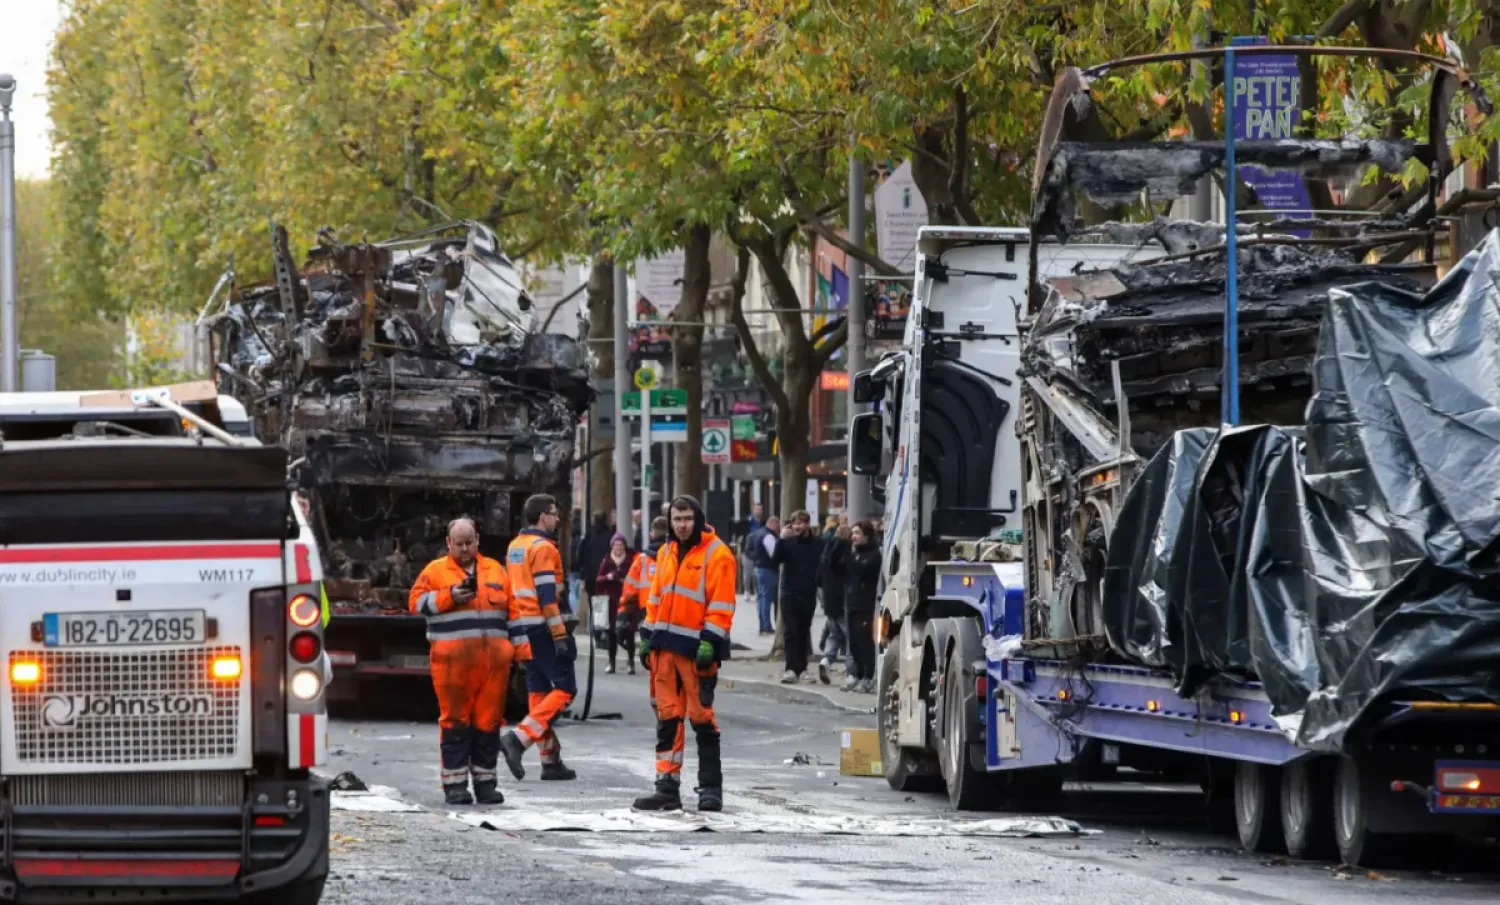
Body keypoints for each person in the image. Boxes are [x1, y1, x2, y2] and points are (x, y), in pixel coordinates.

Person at [633, 496, 737, 812]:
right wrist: (646, 636)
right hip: (665, 650)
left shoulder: (717, 554)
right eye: (677, 519)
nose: (682, 525)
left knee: (702, 719)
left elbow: (722, 604)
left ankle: (710, 789)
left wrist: (710, 641)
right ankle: (666, 787)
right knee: (667, 720)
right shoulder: (665, 553)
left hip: (696, 653)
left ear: (698, 519)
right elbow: (656, 599)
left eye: (688, 518)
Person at [408, 518, 513, 805]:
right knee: (455, 722)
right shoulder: (435, 571)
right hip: (452, 666)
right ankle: (455, 786)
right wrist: (449, 597)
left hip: (494, 666)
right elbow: (415, 603)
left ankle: (485, 784)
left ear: (477, 539)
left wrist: (519, 651)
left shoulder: (495, 569)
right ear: (448, 543)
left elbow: (512, 610)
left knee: (488, 723)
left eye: (469, 543)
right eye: (459, 544)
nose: (465, 549)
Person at [498, 494, 578, 782]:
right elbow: (547, 597)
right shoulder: (544, 548)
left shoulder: (515, 546)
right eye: (555, 514)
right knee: (565, 688)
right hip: (542, 628)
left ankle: (550, 760)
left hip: (521, 628)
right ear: (543, 516)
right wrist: (559, 635)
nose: (557, 519)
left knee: (539, 692)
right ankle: (519, 738)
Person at [772, 511, 824, 683]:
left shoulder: (818, 544)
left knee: (804, 630)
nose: (797, 527)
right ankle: (791, 668)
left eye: (801, 523)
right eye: (794, 524)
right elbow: (775, 560)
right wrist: (780, 539)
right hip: (789, 592)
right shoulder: (787, 543)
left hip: (808, 592)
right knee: (790, 631)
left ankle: (802, 668)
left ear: (807, 524)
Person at [624, 517, 669, 679]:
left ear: (651, 534)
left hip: (647, 610)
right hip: (671, 609)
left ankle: (657, 693)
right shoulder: (676, 556)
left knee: (652, 651)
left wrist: (624, 611)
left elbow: (629, 588)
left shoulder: (642, 559)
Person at [844, 520, 882, 693]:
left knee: (865, 642)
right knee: (854, 644)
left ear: (867, 535)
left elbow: (864, 571)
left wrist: (851, 560)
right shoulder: (854, 553)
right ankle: (858, 675)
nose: (854, 536)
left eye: (858, 533)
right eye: (853, 533)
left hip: (866, 605)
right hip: (852, 603)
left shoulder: (874, 554)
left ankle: (868, 677)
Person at [593, 534, 635, 675]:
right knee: (611, 634)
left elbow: (635, 578)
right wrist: (608, 577)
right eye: (616, 545)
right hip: (611, 601)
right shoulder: (607, 560)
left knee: (628, 632)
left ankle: (631, 662)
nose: (618, 548)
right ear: (612, 546)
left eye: (621, 545)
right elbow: (598, 580)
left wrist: (624, 580)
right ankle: (611, 663)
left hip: (627, 601)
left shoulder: (630, 560)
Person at [816, 524, 851, 685]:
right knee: (851, 636)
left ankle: (826, 661)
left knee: (834, 634)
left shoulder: (825, 551)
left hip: (829, 600)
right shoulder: (845, 552)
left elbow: (819, 579)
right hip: (843, 600)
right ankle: (851, 671)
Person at [747, 516, 780, 635]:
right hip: (767, 570)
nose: (778, 528)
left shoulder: (757, 533)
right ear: (773, 524)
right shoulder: (769, 536)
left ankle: (763, 624)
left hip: (758, 568)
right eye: (778, 525)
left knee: (761, 598)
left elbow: (750, 550)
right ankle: (766, 626)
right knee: (766, 598)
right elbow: (774, 554)